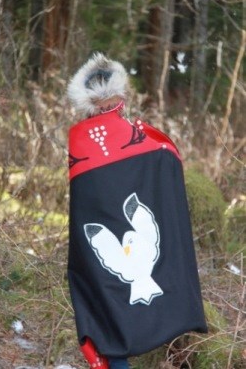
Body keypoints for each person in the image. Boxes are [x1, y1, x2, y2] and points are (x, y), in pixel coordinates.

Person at [67, 53, 207, 369]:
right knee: (103, 290)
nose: (122, 106)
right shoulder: (138, 136)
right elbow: (165, 155)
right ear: (108, 101)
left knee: (104, 296)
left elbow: (165, 158)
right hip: (102, 231)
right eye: (117, 102)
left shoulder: (84, 138)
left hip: (103, 234)